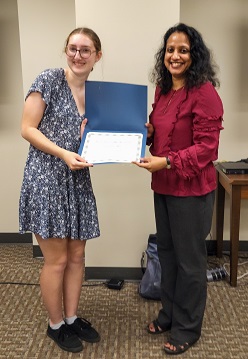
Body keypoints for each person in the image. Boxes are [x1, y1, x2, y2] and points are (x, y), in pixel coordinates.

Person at [133, 23, 223, 355]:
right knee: (168, 256)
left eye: (183, 50)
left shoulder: (205, 93)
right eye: (171, 49)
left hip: (192, 190)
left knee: (190, 262)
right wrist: (146, 133)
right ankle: (169, 314)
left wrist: (166, 161)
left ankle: (187, 328)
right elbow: (163, 134)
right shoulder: (163, 90)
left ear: (194, 55)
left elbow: (206, 149)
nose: (175, 55)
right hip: (165, 186)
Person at [19, 27, 102, 353]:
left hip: (77, 181)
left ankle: (71, 317)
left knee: (78, 257)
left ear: (97, 55)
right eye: (73, 48)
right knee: (56, 261)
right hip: (47, 181)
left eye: (85, 50)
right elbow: (26, 128)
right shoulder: (49, 80)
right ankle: (55, 325)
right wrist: (64, 153)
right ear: (66, 50)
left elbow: (90, 140)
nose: (78, 55)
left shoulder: (97, 94)